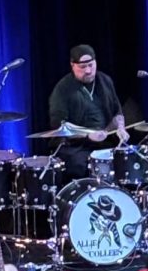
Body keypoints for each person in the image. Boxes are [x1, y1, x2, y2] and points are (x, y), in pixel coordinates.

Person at [47, 44, 130, 180]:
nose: (88, 70)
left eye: (91, 65)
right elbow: (60, 126)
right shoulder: (62, 89)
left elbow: (117, 113)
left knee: (127, 160)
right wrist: (88, 134)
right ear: (72, 65)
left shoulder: (105, 81)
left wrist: (121, 128)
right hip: (76, 147)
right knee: (79, 165)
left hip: (104, 143)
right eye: (82, 67)